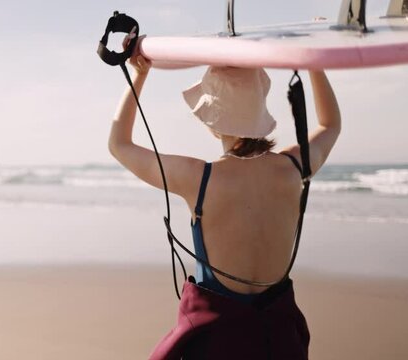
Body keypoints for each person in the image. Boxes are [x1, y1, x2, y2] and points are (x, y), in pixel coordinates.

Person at [108, 42, 341, 359]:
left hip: (218, 344)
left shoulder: (198, 178)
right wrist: (313, 61)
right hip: (281, 341)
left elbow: (119, 144)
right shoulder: (294, 167)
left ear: (212, 120)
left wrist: (140, 74)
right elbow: (330, 124)